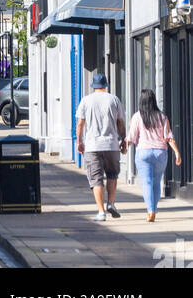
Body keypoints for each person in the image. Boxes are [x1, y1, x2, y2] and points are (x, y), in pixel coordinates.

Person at [75, 71, 126, 221]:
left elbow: (80, 124)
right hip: (111, 144)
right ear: (105, 85)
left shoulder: (86, 100)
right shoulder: (114, 99)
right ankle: (110, 203)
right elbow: (120, 122)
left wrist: (79, 142)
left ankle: (101, 212)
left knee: (96, 179)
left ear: (93, 86)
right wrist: (123, 139)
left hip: (92, 145)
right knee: (112, 175)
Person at [126, 89, 182, 222]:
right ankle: (153, 209)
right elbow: (168, 137)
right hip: (160, 153)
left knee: (147, 182)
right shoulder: (162, 116)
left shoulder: (137, 116)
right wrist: (177, 152)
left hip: (143, 153)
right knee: (156, 182)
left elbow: (131, 137)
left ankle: (150, 210)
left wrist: (124, 148)